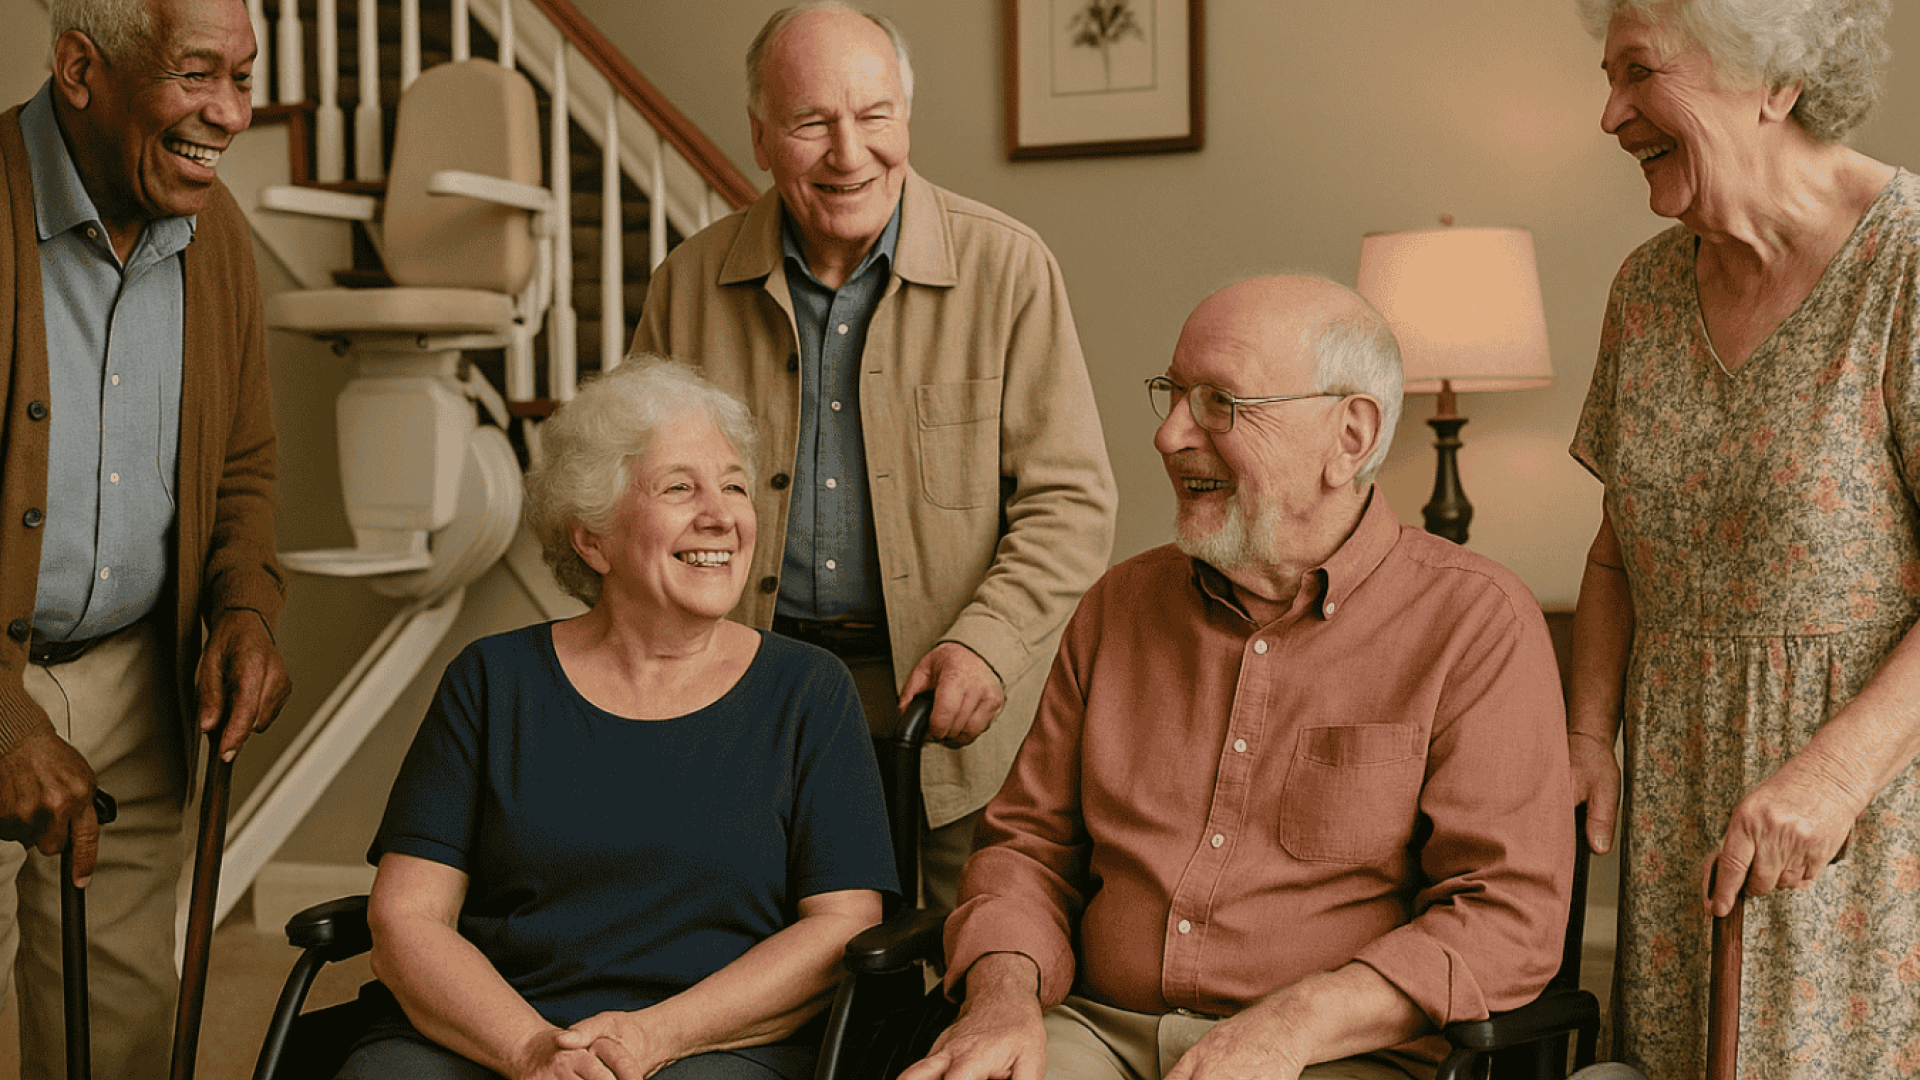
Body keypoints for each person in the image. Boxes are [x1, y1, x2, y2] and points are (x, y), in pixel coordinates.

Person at [906, 276, 1574, 1080]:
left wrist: (1292, 1026)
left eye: (1220, 402)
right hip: (1094, 1033)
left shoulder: (1475, 623)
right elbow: (1027, 850)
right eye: (1174, 393)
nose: (1168, 434)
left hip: (1331, 1055)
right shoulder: (1119, 606)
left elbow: (1505, 915)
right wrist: (1001, 999)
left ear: (1351, 436)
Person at [631, 1, 1116, 910]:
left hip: (950, 703)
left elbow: (1072, 503)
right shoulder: (687, 284)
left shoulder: (1009, 268)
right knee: (759, 967)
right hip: (746, 697)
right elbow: (634, 501)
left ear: (906, 116)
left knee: (958, 979)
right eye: (813, 122)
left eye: (874, 116)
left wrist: (990, 644)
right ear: (761, 135)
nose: (849, 154)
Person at [339, 359, 898, 1080]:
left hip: (716, 1041)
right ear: (592, 538)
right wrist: (532, 1051)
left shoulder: (808, 690)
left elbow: (843, 927)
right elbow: (406, 919)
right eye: (678, 488)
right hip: (497, 1027)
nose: (722, 515)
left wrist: (652, 1038)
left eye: (734, 485)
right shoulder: (493, 681)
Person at [1567, 0, 1920, 1075]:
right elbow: (1617, 550)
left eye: (1638, 73)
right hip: (1683, 813)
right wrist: (1587, 735)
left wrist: (1834, 779)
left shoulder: (1907, 265)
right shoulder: (1645, 290)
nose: (1609, 113)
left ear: (1774, 81)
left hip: (1870, 821)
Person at [0, 0, 290, 1074]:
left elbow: (246, 468)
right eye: (196, 74)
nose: (228, 113)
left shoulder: (219, 242)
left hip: (135, 682)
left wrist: (247, 605)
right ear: (81, 69)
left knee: (115, 1039)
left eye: (245, 78)